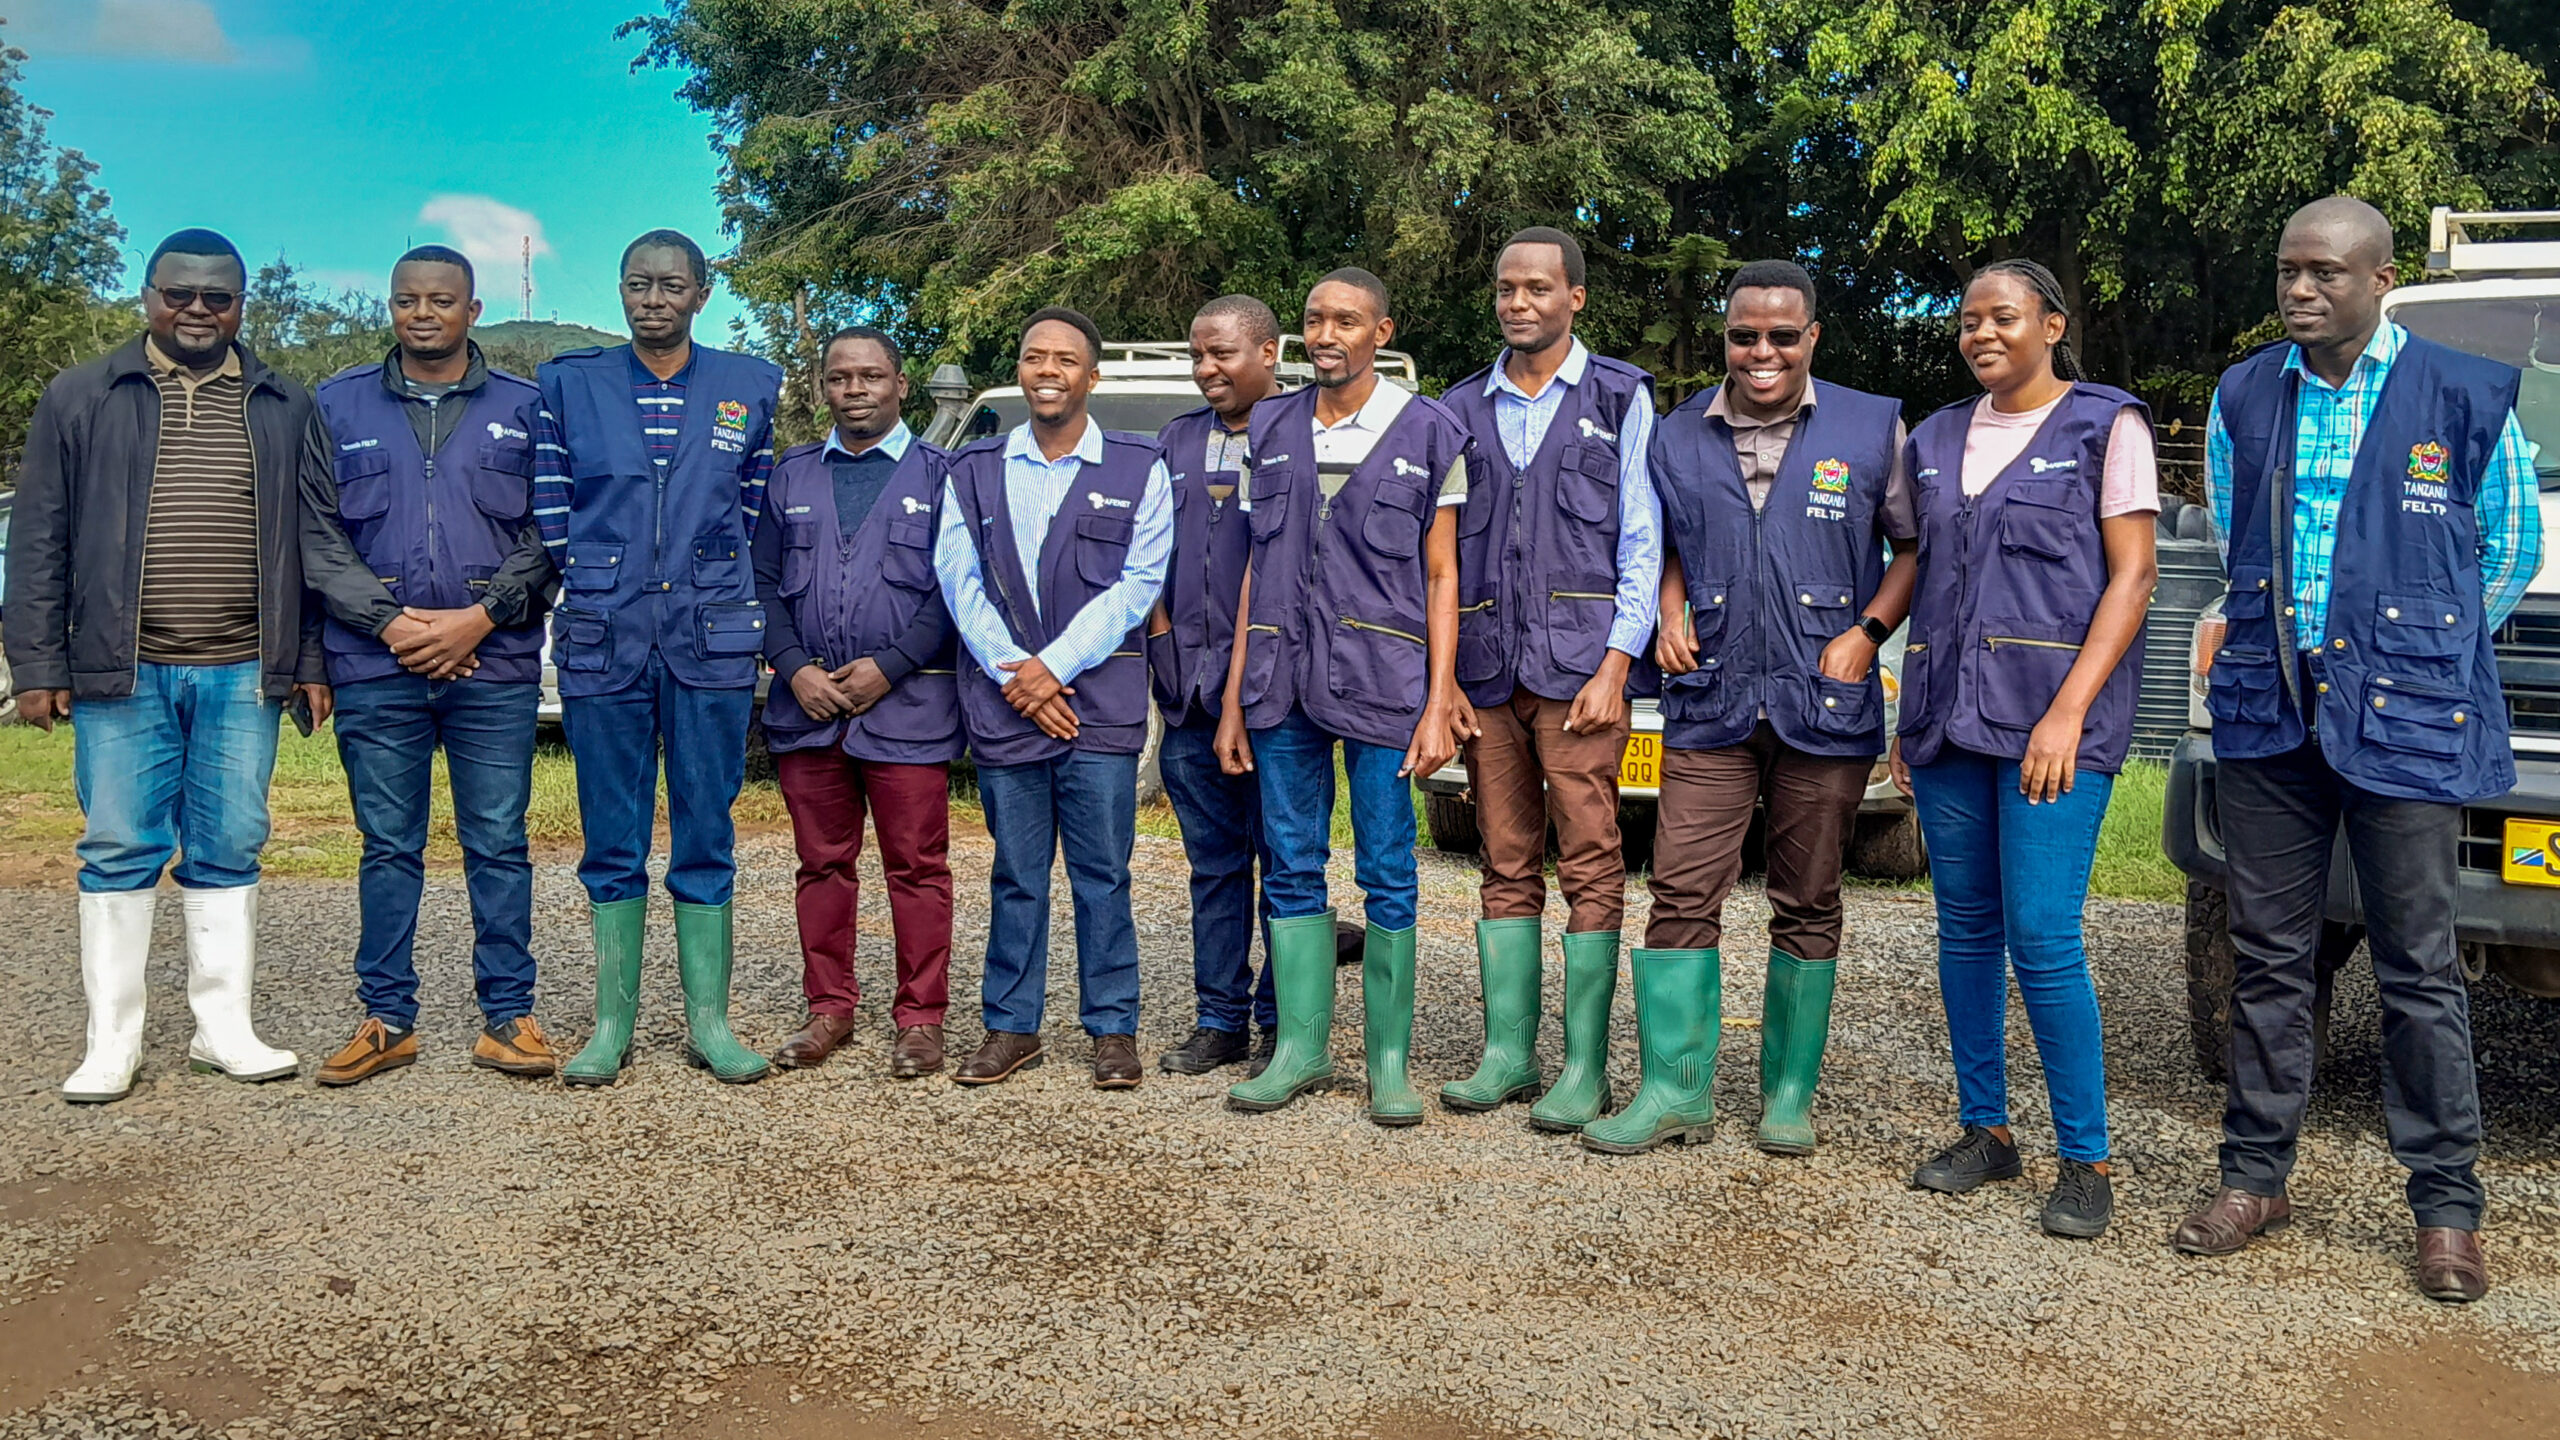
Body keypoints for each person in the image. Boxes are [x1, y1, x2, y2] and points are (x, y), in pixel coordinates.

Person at [2180, 196, 2541, 1303]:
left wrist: (2418, 654)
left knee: (2419, 972)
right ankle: (2256, 1177)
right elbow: (2243, 541)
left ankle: (2443, 1210)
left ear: (2379, 280)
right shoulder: (2245, 391)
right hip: (2270, 717)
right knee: (2269, 957)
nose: (2299, 290)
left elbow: (2509, 553)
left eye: (2324, 273)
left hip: (2409, 724)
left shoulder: (2465, 394)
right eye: (2287, 271)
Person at [1582, 259, 1916, 1157]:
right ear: (1725, 337)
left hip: (1825, 698)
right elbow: (1666, 539)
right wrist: (1666, 606)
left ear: (1812, 338)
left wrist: (1870, 632)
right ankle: (1673, 1091)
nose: (1760, 352)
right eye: (1743, 335)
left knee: (1808, 896)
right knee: (1682, 888)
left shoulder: (1872, 424)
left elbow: (1914, 548)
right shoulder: (1678, 431)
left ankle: (1787, 1099)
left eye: (1780, 335)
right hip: (1712, 697)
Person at [7, 228, 329, 1102]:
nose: (196, 309)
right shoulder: (82, 396)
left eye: (216, 297)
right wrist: (36, 661)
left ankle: (224, 1030)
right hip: (121, 669)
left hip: (240, 670)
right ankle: (112, 1042)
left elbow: (307, 544)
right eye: (178, 293)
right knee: (117, 847)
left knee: (229, 844)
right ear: (146, 296)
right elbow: (38, 537)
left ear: (241, 305)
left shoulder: (285, 404)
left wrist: (306, 659)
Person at [1890, 258, 2158, 1240]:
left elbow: (2131, 580)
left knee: (2042, 935)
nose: (1981, 334)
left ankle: (2084, 1160)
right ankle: (1986, 1131)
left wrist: (2067, 713)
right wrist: (1904, 717)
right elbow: (1922, 574)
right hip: (1949, 724)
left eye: (2002, 317)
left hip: (2052, 732)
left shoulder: (2105, 426)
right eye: (1967, 320)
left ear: (2051, 324)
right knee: (1965, 928)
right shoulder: (1932, 439)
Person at [1217, 268, 1471, 1127]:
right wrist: (1231, 698)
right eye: (1315, 319)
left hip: (1383, 680)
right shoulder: (1274, 422)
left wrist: (1439, 701)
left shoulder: (1431, 429)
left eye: (1347, 321)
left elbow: (1443, 574)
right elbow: (1257, 560)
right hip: (1278, 680)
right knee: (1290, 861)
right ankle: (1300, 1050)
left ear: (1380, 330)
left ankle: (1388, 1065)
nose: (1328, 334)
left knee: (1388, 868)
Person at [299, 245, 556, 1085]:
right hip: (377, 667)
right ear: (391, 306)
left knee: (497, 841)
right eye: (407, 298)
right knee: (387, 845)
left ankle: (509, 1016)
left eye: (440, 300)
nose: (422, 313)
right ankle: (386, 1019)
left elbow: (550, 531)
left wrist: (479, 620)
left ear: (471, 310)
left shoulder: (528, 407)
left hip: (496, 664)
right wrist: (393, 625)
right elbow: (316, 536)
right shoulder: (335, 405)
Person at [532, 229, 783, 1087]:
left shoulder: (749, 385)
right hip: (606, 630)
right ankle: (612, 1025)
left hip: (711, 634)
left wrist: (697, 579)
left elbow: (750, 509)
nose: (652, 299)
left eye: (671, 285)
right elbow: (554, 505)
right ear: (619, 289)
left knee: (707, 826)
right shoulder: (570, 384)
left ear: (701, 294)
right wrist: (608, 579)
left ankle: (709, 1021)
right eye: (637, 283)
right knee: (612, 829)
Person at [1435, 227, 1659, 1132]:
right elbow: (1438, 555)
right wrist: (1441, 677)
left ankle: (1584, 1067)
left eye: (1536, 288)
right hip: (1488, 672)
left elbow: (1642, 539)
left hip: (1581, 676)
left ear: (1575, 299)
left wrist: (1618, 662)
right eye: (1505, 289)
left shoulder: (1621, 396)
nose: (1518, 302)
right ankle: (1506, 1054)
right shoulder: (1457, 408)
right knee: (1503, 860)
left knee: (1595, 862)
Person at [932, 307, 1172, 1089]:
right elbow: (958, 582)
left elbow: (1140, 582)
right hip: (1005, 705)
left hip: (1098, 708)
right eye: (1034, 357)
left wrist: (1053, 667)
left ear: (1091, 377)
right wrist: (1016, 674)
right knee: (1017, 871)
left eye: (1065, 360)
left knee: (1103, 873)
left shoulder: (1141, 467)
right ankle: (1011, 1026)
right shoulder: (972, 469)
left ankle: (1112, 1030)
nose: (1047, 371)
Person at [753, 326, 961, 1077]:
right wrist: (792, 668)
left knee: (917, 867)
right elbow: (764, 586)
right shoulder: (791, 477)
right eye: (841, 378)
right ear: (823, 388)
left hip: (907, 711)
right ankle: (829, 1009)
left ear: (901, 385)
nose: (856, 390)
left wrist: (895, 665)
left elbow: (953, 593)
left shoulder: (943, 475)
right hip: (807, 711)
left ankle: (921, 1018)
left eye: (872, 376)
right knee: (821, 865)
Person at [1149, 296, 1284, 1077]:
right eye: (1198, 356)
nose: (1207, 370)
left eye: (1223, 355)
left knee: (1285, 861)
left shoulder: (1298, 435)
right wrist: (1162, 634)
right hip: (1187, 694)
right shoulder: (1176, 440)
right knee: (1215, 866)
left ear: (1268, 354)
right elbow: (1147, 553)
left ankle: (1281, 1022)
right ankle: (1220, 1019)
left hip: (1272, 694)